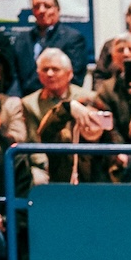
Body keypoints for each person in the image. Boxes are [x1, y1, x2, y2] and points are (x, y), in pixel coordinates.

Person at [20, 48, 93, 185]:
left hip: (82, 161)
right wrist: (46, 164)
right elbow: (32, 142)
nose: (50, 74)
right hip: (47, 162)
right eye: (45, 69)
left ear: (69, 74)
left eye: (55, 69)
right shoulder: (28, 103)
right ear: (38, 74)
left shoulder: (88, 97)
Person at [13, 0, 89, 95]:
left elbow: (75, 78)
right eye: (36, 7)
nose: (42, 10)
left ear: (57, 9)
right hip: (23, 103)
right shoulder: (22, 39)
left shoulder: (73, 38)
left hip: (58, 101)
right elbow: (13, 75)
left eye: (47, 6)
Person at [86, 35, 131, 142]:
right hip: (119, 149)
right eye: (120, 50)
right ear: (113, 57)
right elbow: (108, 126)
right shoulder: (107, 89)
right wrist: (119, 151)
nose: (126, 54)